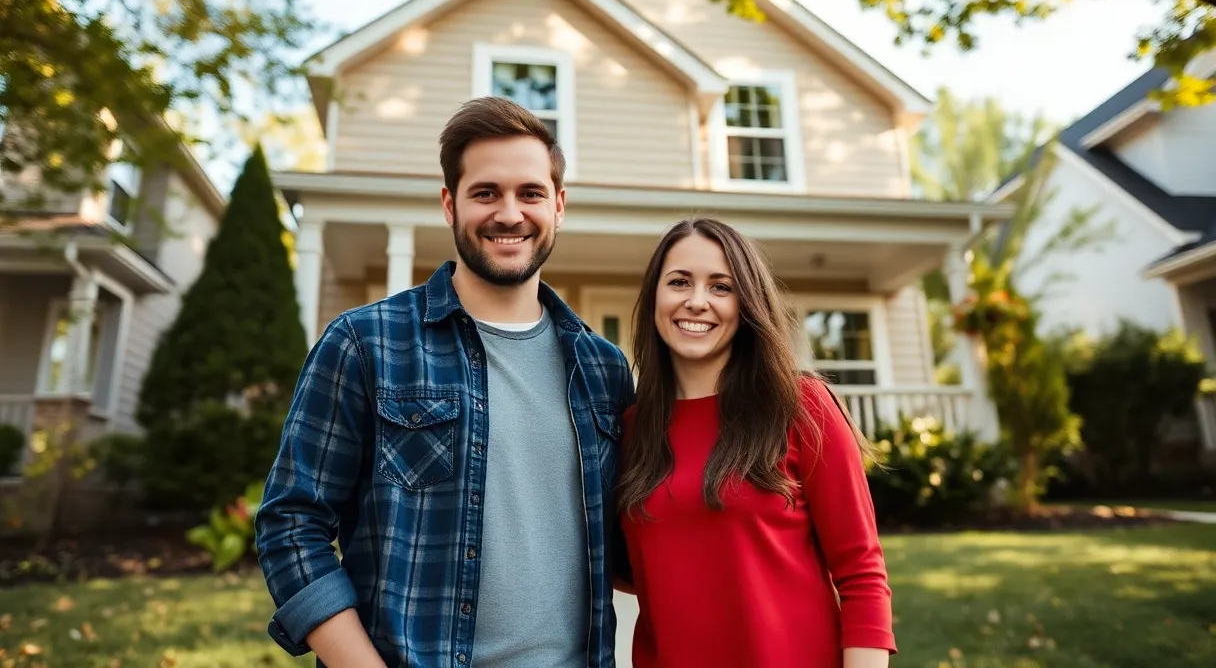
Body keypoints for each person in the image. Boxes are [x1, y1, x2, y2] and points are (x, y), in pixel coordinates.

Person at [255, 97, 636, 668]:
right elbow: (291, 524)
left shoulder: (603, 368)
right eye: (486, 193)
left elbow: (640, 541)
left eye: (530, 193)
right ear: (448, 204)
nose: (510, 213)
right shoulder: (367, 343)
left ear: (558, 206)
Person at [617, 217, 897, 668]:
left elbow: (861, 574)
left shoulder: (801, 406)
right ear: (654, 297)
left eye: (721, 287)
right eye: (679, 282)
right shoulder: (628, 429)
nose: (696, 301)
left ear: (747, 303)